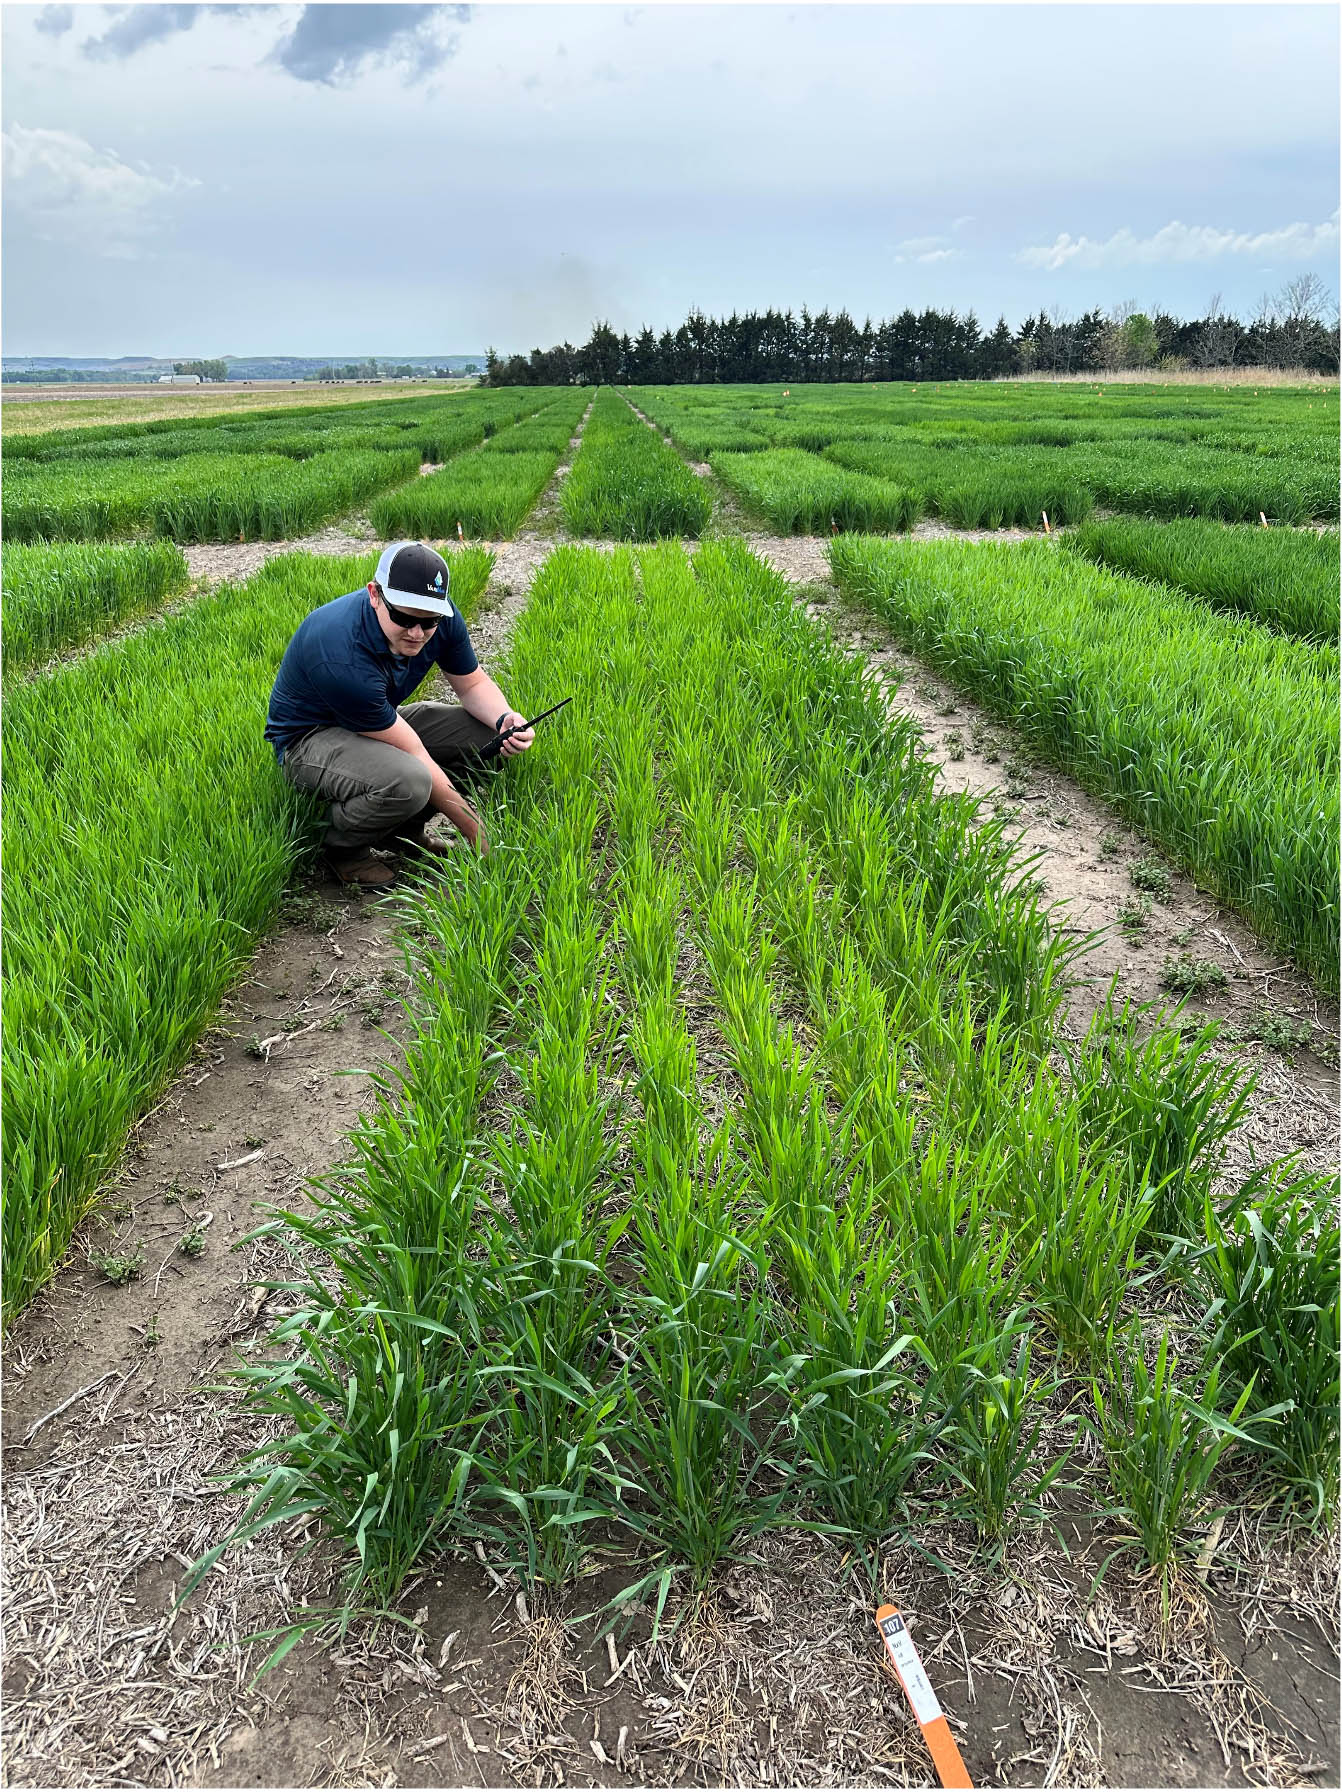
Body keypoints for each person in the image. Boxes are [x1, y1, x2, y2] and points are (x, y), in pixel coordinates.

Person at [265, 540, 534, 887]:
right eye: (404, 617)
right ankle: (341, 845)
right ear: (375, 594)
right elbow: (415, 754)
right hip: (309, 740)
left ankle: (402, 833)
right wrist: (477, 832)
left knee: (491, 740)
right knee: (410, 780)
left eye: (430, 620)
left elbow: (472, 685)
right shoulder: (340, 651)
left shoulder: (441, 619)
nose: (417, 632)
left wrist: (505, 719)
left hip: (378, 721)